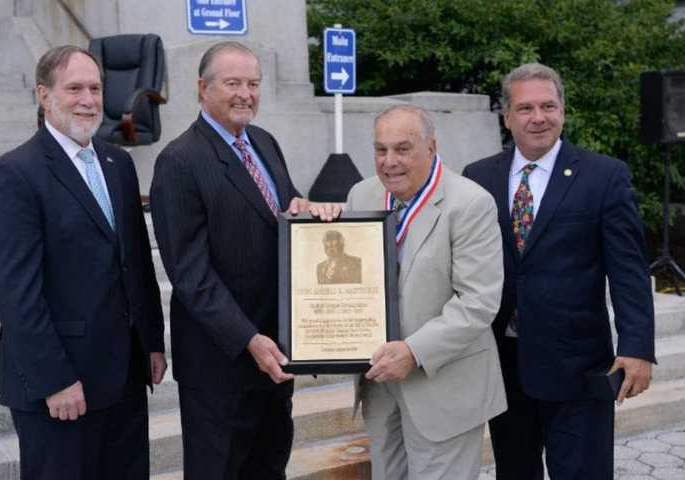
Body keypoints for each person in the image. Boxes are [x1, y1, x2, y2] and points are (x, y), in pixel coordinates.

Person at [149, 41, 339, 479]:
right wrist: (249, 339)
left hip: (278, 354)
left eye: (253, 84)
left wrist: (311, 212)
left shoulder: (265, 142)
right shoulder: (179, 161)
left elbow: (283, 210)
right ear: (203, 88)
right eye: (232, 83)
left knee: (269, 467)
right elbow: (190, 274)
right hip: (224, 362)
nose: (245, 94)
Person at [0, 45, 166, 480]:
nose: (88, 99)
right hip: (60, 388)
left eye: (96, 88)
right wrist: (54, 380)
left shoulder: (117, 164)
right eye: (74, 88)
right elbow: (15, 294)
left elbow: (136, 261)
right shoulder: (16, 172)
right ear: (44, 96)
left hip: (122, 377)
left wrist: (151, 340)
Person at [462, 62, 655, 480]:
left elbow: (629, 270)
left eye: (548, 106)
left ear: (563, 111)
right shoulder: (477, 178)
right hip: (504, 364)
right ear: (507, 116)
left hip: (579, 367)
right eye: (526, 108)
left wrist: (637, 347)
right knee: (514, 472)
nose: (539, 117)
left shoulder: (605, 176)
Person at [347, 105, 506, 479]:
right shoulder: (361, 195)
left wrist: (415, 351)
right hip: (380, 388)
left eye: (402, 149)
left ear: (431, 147)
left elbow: (478, 301)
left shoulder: (470, 203)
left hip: (443, 385)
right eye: (380, 150)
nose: (389, 162)